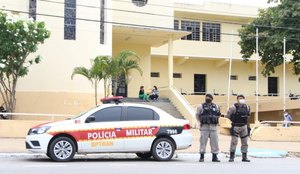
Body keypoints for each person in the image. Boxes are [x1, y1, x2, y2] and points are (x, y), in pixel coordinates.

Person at [196, 94, 221, 162]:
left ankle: (214, 156)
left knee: (215, 142)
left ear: (212, 99)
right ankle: (202, 156)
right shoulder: (201, 106)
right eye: (207, 97)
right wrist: (200, 122)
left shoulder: (216, 106)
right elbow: (197, 115)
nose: (208, 98)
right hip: (204, 126)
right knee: (203, 142)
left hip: (213, 127)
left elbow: (218, 115)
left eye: (209, 97)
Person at [226, 94, 251, 162]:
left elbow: (248, 115)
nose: (241, 99)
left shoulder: (247, 107)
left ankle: (244, 156)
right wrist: (233, 120)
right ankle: (231, 156)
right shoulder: (233, 107)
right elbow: (228, 115)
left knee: (245, 142)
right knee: (234, 142)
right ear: (237, 99)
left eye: (242, 98)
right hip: (235, 126)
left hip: (244, 126)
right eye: (240, 98)